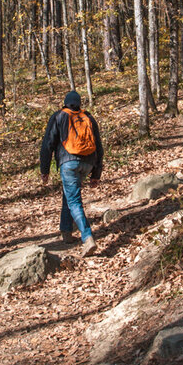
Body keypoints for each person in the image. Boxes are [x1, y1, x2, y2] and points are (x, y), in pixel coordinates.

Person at [40, 90, 103, 256]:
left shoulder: (59, 116)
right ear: (79, 103)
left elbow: (47, 144)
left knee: (74, 200)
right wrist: (96, 173)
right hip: (88, 163)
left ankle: (87, 237)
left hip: (68, 163)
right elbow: (99, 146)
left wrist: (44, 170)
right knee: (69, 194)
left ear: (65, 102)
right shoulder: (88, 117)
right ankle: (66, 232)